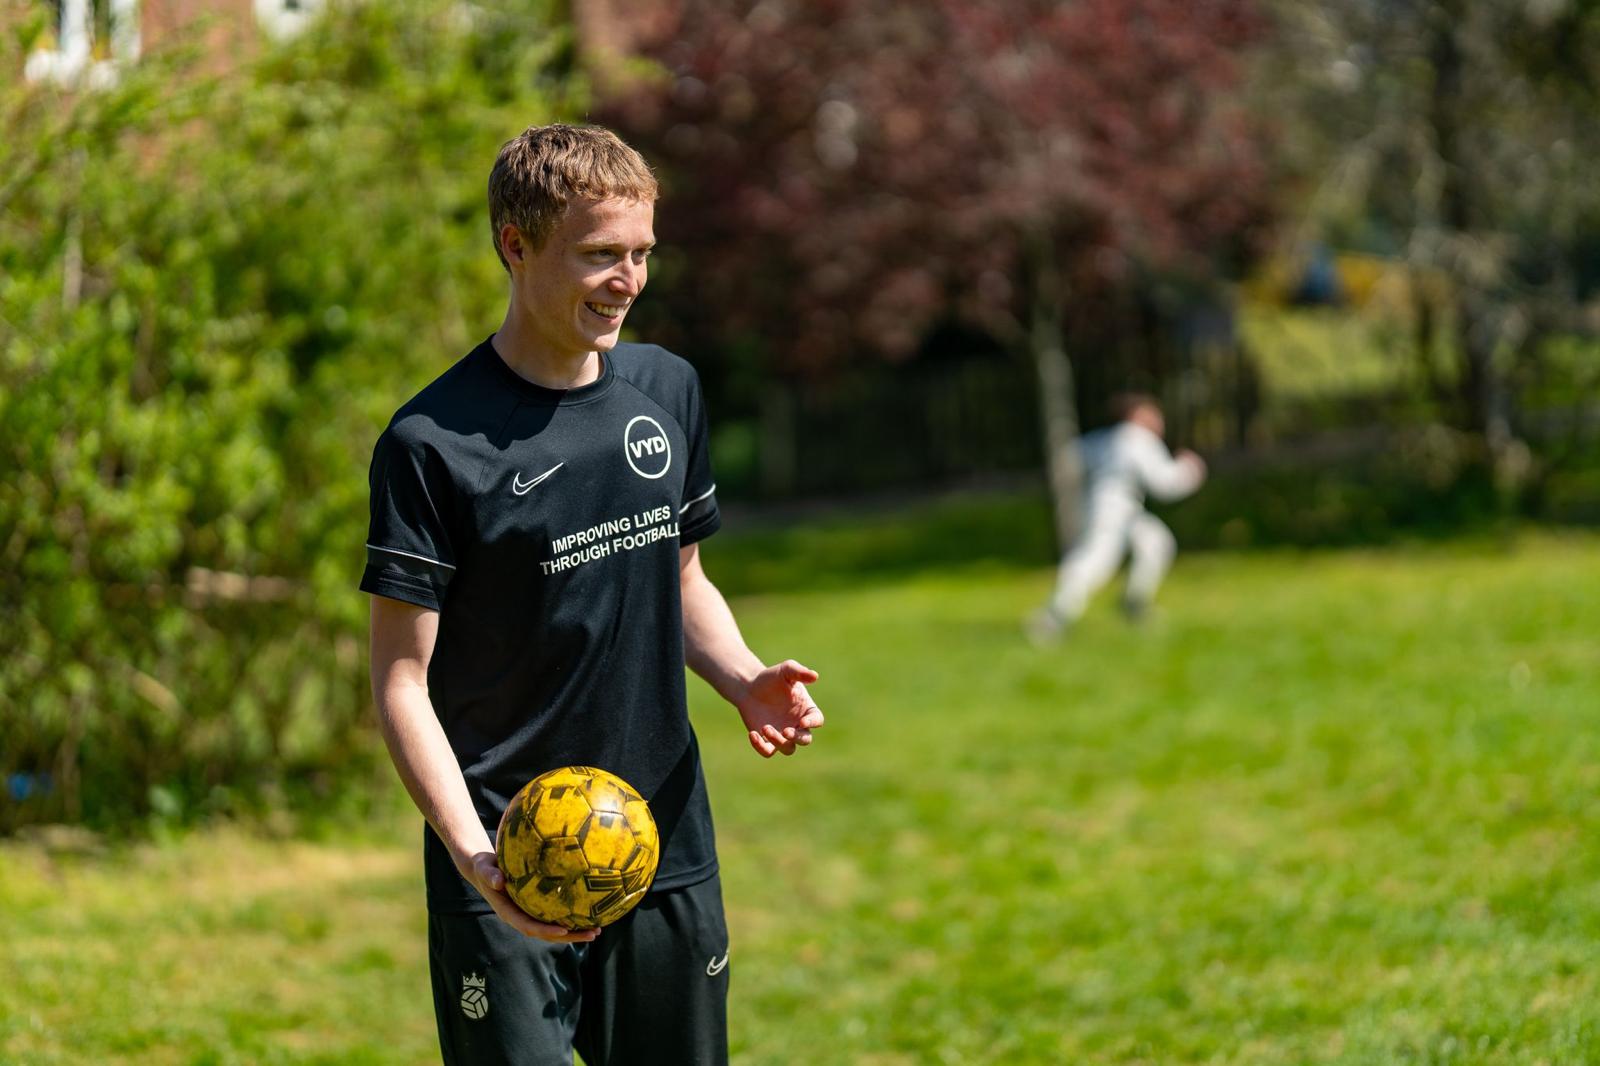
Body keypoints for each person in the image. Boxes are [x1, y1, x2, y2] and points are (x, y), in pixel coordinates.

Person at [361, 123, 824, 1066]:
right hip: (507, 853)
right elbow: (402, 681)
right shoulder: (431, 445)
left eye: (643, 254)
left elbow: (682, 575)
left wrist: (741, 677)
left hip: (661, 835)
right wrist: (473, 858)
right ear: (515, 245)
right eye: (601, 255)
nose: (629, 281)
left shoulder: (666, 390)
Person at [1028, 392, 1207, 642]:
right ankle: (1053, 615)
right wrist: (1190, 470)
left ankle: (1134, 604)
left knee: (1156, 543)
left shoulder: (1109, 438)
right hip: (1113, 510)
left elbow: (1071, 457)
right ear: (1138, 415)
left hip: (1113, 507)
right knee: (1096, 563)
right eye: (1153, 413)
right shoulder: (1137, 438)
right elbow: (1164, 482)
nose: (1159, 420)